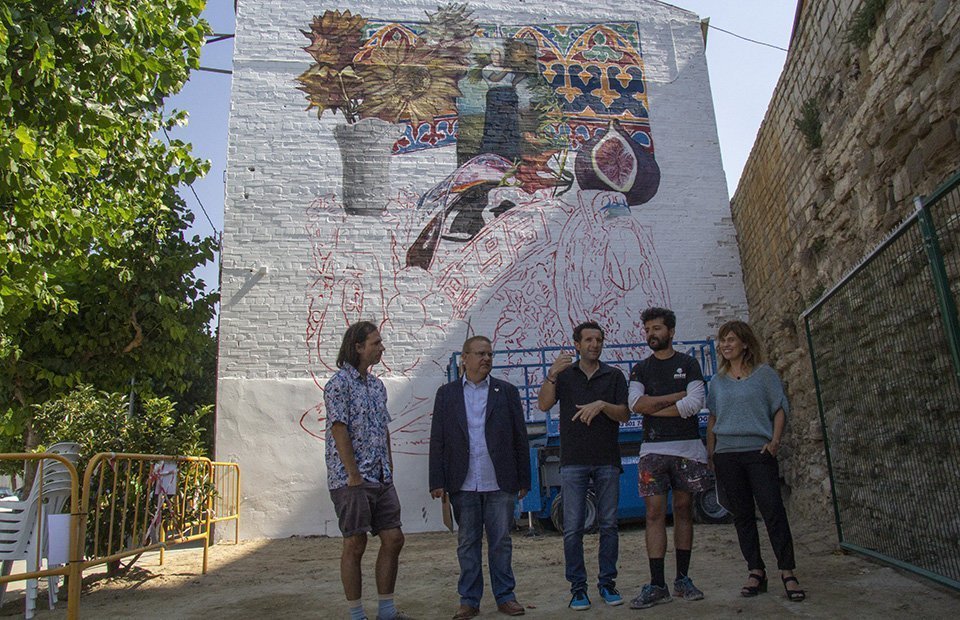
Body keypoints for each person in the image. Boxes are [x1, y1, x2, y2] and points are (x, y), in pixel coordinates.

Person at [429, 336, 531, 619]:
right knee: (467, 543)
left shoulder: (506, 392)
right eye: (480, 353)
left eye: (489, 354)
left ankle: (505, 596)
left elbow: (520, 438)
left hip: (500, 480)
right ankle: (469, 600)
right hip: (463, 481)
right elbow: (438, 439)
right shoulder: (447, 394)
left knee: (501, 542)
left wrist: (524, 479)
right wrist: (436, 480)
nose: (486, 358)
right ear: (464, 358)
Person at [705, 320, 805, 602]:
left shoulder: (765, 375)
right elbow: (713, 417)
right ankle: (756, 571)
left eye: (731, 340)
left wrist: (775, 442)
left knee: (773, 511)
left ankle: (787, 571)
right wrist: (712, 454)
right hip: (727, 455)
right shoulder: (717, 381)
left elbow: (779, 407)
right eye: (722, 340)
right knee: (742, 516)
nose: (726, 345)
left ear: (745, 343)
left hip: (758, 453)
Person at [537, 321, 630, 611]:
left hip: (607, 460)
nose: (594, 344)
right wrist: (552, 374)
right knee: (572, 528)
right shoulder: (565, 376)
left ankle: (607, 583)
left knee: (609, 526)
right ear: (577, 344)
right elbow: (543, 405)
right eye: (588, 340)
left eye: (599, 339)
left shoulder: (614, 376)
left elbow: (625, 414)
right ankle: (578, 589)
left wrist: (602, 405)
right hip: (573, 461)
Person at [325, 321, 411, 620]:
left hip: (381, 476)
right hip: (351, 479)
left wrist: (389, 467)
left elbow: (383, 428)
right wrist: (353, 474)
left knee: (394, 538)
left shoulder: (377, 386)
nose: (381, 347)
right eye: (376, 343)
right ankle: (356, 614)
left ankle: (386, 611)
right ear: (358, 347)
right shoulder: (338, 385)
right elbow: (339, 429)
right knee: (355, 542)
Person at [628, 307, 710, 609]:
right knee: (653, 514)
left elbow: (696, 404)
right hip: (652, 450)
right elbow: (636, 404)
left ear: (671, 332)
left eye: (658, 328)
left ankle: (683, 579)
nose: (652, 333)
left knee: (685, 509)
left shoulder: (689, 364)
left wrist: (655, 406)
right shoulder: (640, 369)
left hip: (688, 448)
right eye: (648, 329)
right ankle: (657, 584)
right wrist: (676, 397)